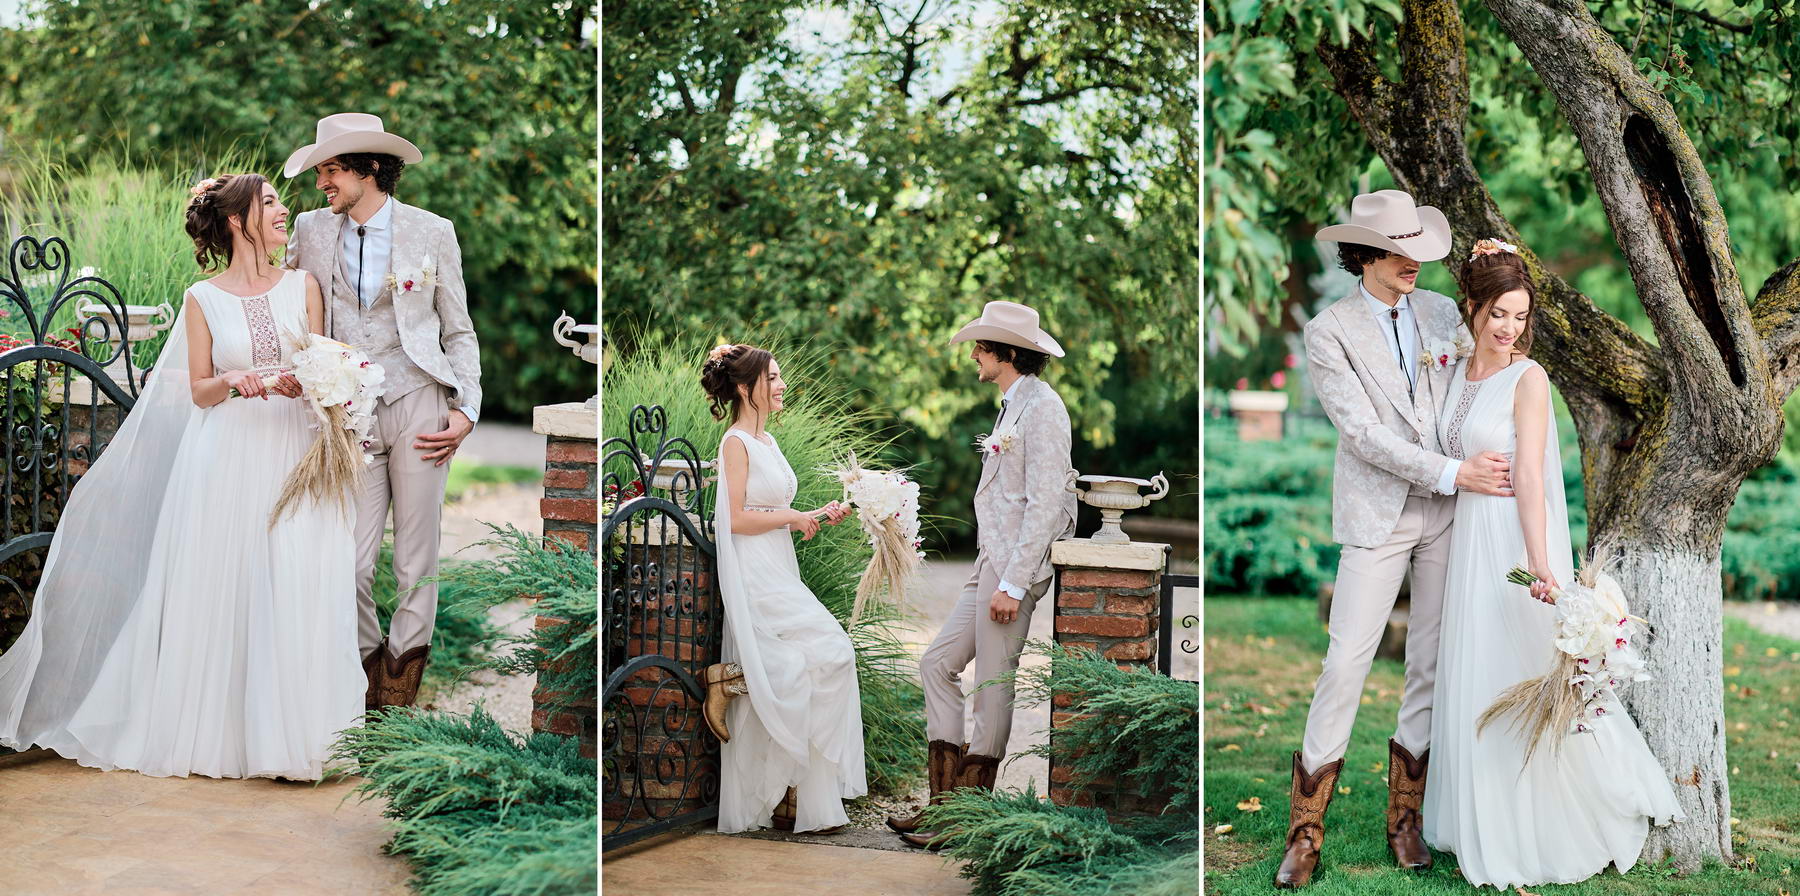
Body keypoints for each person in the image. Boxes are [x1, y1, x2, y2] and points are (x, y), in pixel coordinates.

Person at [0, 173, 363, 780]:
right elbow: (198, 390)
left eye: (279, 200)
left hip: (295, 456)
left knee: (298, 578)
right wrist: (236, 381)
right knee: (232, 586)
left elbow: (322, 363)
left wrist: (329, 383)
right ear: (235, 222)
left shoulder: (305, 286)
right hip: (228, 460)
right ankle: (226, 735)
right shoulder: (203, 299)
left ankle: (300, 739)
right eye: (268, 202)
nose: (282, 210)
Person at [1423, 240, 1682, 887]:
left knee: (1522, 671)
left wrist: (1542, 567)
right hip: (1465, 545)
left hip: (1511, 544)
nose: (1509, 328)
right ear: (1473, 308)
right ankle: (1476, 816)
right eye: (1498, 314)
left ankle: (1545, 822)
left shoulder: (1528, 379)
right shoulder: (1456, 371)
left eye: (1520, 316)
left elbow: (1533, 478)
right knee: (1475, 672)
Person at [1275, 190, 1514, 888]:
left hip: (1449, 515)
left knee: (1430, 664)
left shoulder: (1442, 312)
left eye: (1421, 250)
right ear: (1366, 254)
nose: (1417, 262)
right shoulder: (1329, 331)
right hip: (1379, 516)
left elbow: (1501, 349)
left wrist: (1495, 273)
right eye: (1402, 251)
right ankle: (1305, 830)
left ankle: (1405, 822)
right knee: (1345, 662)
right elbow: (1365, 435)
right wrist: (1451, 470)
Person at [283, 113, 482, 709]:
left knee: (416, 559)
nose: (323, 183)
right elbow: (289, 303)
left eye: (332, 170)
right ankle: (367, 669)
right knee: (350, 560)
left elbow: (459, 329)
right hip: (349, 412)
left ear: (370, 169)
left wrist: (467, 408)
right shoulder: (310, 229)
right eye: (321, 171)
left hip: (420, 400)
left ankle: (395, 698)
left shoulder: (433, 232)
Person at [893, 300, 1077, 849]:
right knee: (936, 664)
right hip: (988, 561)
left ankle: (965, 817)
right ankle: (945, 806)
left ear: (1007, 352)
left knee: (992, 686)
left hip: (1012, 569)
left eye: (981, 345)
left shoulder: (1043, 408)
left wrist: (1014, 583)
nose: (973, 354)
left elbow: (1046, 502)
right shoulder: (1011, 404)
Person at [697, 343, 864, 834]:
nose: (782, 385)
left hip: (778, 564)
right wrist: (790, 516)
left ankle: (791, 794)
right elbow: (736, 519)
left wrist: (812, 517)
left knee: (802, 666)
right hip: (753, 572)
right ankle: (731, 679)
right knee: (833, 651)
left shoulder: (768, 442)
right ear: (746, 388)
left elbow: (769, 515)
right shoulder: (735, 443)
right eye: (772, 378)